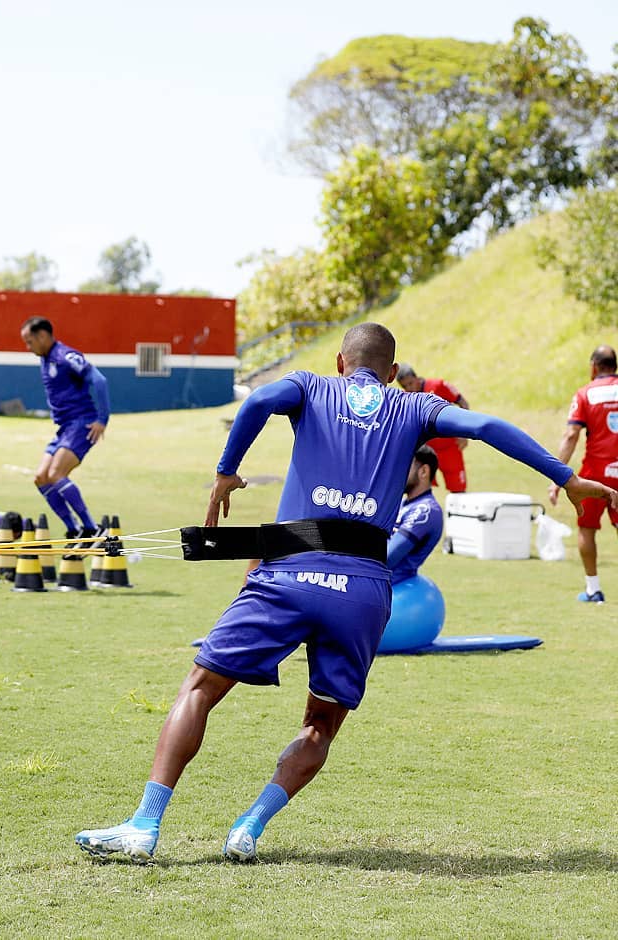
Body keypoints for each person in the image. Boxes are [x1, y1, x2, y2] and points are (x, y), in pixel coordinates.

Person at [74, 322, 616, 864]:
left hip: (288, 575)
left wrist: (225, 472)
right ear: (390, 369)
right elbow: (487, 425)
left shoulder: (311, 387)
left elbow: (259, 399)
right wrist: (564, 477)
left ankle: (145, 824)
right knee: (320, 724)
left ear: (340, 361)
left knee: (200, 688)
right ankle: (248, 826)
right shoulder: (415, 408)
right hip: (362, 593)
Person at [19, 317, 110, 542]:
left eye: (30, 342)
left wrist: (102, 419)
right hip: (64, 428)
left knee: (56, 474)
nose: (28, 348)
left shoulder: (64, 356)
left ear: (43, 336)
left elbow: (99, 380)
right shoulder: (45, 358)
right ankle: (75, 528)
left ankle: (93, 529)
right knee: (41, 478)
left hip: (81, 424)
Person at [547, 345, 618, 603]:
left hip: (596, 473)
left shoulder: (585, 394)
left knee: (587, 529)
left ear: (594, 367)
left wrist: (557, 477)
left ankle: (593, 589)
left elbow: (571, 435)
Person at [396, 364, 470, 492]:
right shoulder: (405, 398)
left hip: (449, 447)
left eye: (410, 383)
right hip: (426, 451)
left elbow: (463, 403)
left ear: (416, 378)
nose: (409, 388)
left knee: (458, 489)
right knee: (420, 487)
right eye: (405, 386)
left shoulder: (438, 386)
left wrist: (463, 433)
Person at [387, 445, 444, 584]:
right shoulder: (402, 504)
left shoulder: (426, 510)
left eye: (405, 466)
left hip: (389, 589)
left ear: (423, 471)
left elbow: (388, 556)